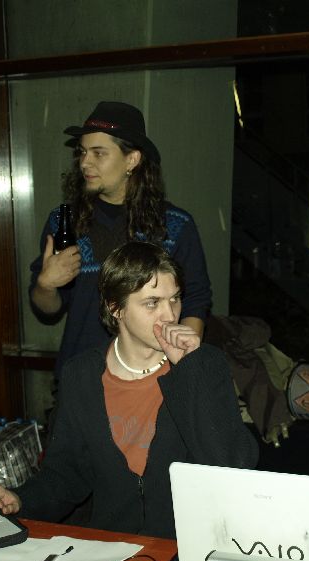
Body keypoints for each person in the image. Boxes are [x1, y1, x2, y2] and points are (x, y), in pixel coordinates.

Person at [0, 241, 258, 538]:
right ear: (115, 307)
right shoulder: (82, 374)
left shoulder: (204, 363)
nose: (170, 315)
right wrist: (20, 498)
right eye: (152, 303)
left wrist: (189, 370)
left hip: (187, 547)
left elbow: (234, 466)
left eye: (175, 299)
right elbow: (66, 474)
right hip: (111, 549)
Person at [30, 101, 212, 381]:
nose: (85, 163)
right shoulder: (64, 223)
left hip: (155, 381)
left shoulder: (174, 225)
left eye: (98, 153)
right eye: (82, 152)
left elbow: (196, 299)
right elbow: (48, 308)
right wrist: (45, 285)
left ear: (132, 159)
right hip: (84, 380)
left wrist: (183, 368)